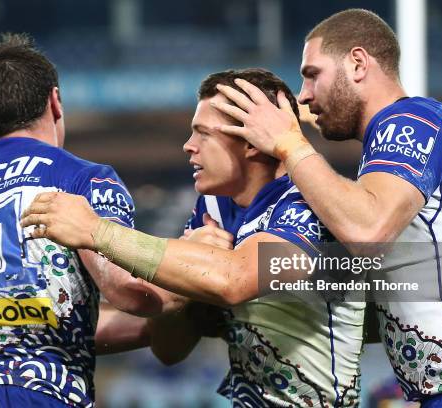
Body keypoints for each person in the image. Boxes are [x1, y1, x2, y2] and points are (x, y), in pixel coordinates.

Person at [206, 8, 442, 407]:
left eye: (312, 74)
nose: (304, 94)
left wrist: (289, 143)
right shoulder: (387, 149)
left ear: (358, 62)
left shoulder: (414, 119)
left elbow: (368, 230)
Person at [21, 68, 366, 407]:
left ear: (252, 142)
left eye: (204, 134)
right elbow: (169, 349)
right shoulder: (214, 208)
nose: (189, 146)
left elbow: (235, 279)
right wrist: (184, 289)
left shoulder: (306, 205)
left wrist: (96, 231)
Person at [0, 33, 181, 408]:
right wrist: (197, 287)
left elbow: (22, 327)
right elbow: (129, 290)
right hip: (37, 392)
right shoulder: (82, 178)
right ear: (55, 102)